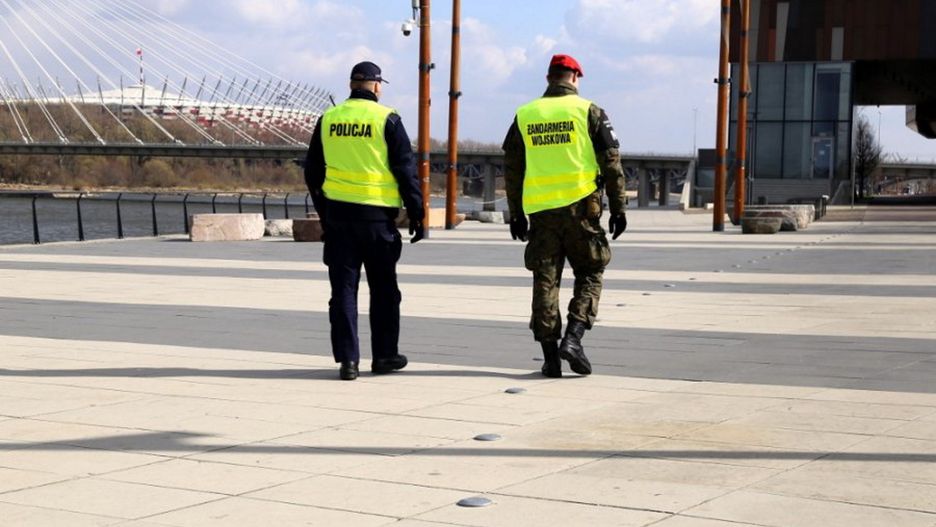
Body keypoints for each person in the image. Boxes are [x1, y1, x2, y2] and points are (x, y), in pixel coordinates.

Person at [502, 54, 628, 378]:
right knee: (591, 272)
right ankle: (573, 339)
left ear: (549, 78)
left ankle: (550, 358)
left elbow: (513, 169)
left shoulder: (525, 114)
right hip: (581, 212)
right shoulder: (589, 111)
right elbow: (612, 165)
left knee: (545, 281)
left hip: (541, 215)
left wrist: (515, 213)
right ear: (574, 78)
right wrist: (619, 208)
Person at [304, 61, 425, 381]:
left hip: (340, 220)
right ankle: (385, 355)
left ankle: (348, 361)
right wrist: (416, 212)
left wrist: (325, 212)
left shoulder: (328, 119)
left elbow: (312, 172)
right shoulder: (387, 118)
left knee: (343, 290)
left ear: (351, 85)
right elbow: (405, 170)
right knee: (385, 290)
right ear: (375, 85)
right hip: (377, 222)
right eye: (380, 83)